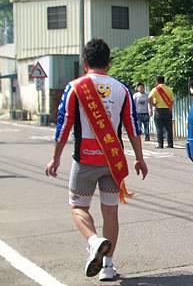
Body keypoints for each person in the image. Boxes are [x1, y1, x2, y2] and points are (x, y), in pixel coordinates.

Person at [45, 38, 148, 281]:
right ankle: (108, 267)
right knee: (110, 213)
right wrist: (140, 159)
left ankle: (93, 242)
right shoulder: (121, 89)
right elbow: (133, 128)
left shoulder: (75, 87)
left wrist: (55, 159)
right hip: (113, 160)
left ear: (84, 63)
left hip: (85, 160)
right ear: (109, 63)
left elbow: (64, 125)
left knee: (79, 208)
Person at [149, 75, 174, 149]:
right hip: (167, 110)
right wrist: (170, 107)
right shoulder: (169, 89)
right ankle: (170, 144)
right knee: (169, 128)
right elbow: (172, 101)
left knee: (159, 128)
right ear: (164, 81)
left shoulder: (155, 89)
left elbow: (149, 98)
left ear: (157, 81)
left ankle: (160, 144)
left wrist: (153, 104)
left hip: (159, 110)